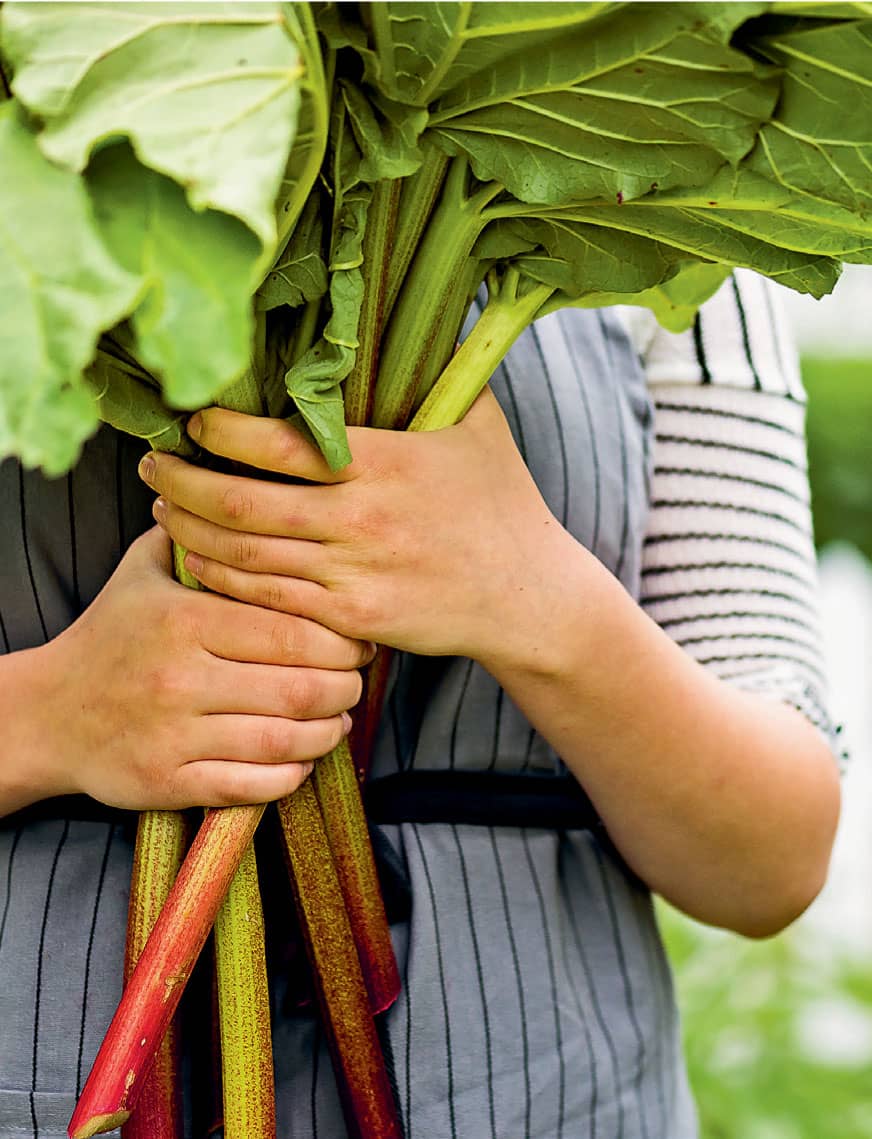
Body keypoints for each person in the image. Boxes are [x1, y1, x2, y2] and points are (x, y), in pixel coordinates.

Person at [0, 269, 842, 1138]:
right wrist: (49, 715)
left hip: (560, 1093)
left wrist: (538, 597)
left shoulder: (689, 208)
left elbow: (772, 858)